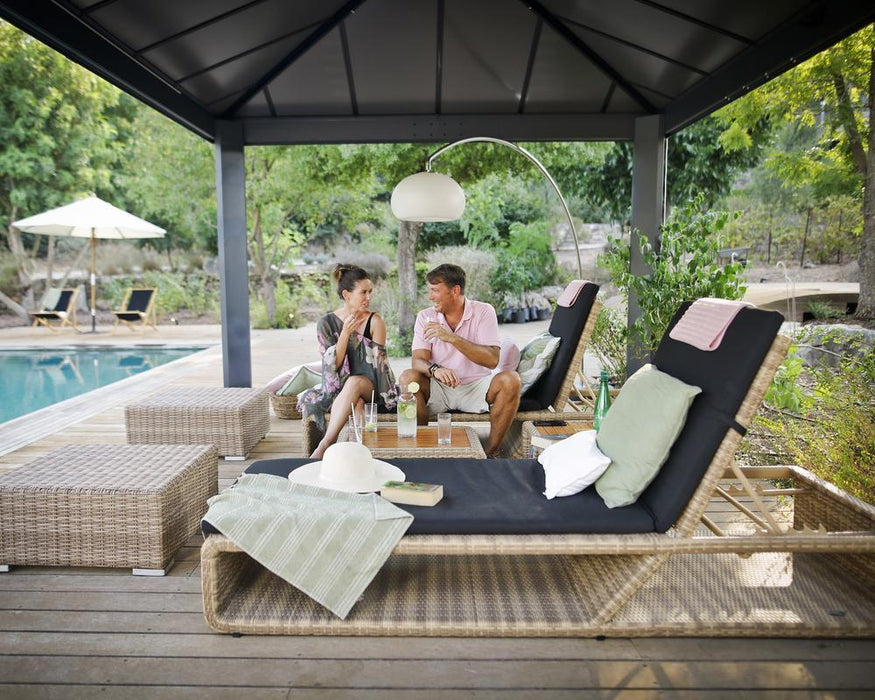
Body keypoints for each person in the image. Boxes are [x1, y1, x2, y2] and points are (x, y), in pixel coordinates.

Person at [399, 264, 521, 457]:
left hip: (476, 386)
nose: (430, 297)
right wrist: (435, 369)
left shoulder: (483, 312)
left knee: (511, 380)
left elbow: (492, 360)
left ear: (454, 290)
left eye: (435, 291)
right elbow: (418, 362)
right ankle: (420, 450)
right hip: (438, 387)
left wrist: (451, 337)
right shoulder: (426, 316)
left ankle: (492, 452)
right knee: (408, 378)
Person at [298, 264, 398, 458]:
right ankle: (355, 455)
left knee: (356, 383)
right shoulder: (326, 323)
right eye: (363, 292)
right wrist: (345, 334)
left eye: (370, 292)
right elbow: (332, 368)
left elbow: (380, 368)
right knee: (357, 403)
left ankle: (325, 445)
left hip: (374, 388)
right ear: (346, 295)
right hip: (340, 392)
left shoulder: (375, 321)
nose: (369, 297)